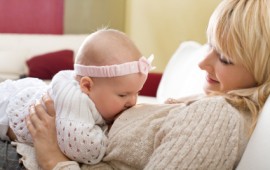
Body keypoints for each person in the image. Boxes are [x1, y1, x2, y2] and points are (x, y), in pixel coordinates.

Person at [1, 0, 270, 169]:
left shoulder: (219, 117)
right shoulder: (209, 101)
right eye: (210, 45)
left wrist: (53, 159)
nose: (202, 63)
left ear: (259, 68)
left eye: (224, 58)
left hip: (30, 156)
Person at [0, 29, 154, 165]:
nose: (133, 101)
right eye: (123, 95)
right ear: (87, 86)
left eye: (137, 92)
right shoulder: (76, 101)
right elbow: (82, 149)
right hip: (6, 107)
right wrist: (108, 133)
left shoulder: (95, 96)